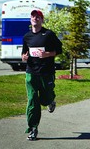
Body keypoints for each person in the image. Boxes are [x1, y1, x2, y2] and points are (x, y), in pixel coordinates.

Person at [21, 10, 62, 140]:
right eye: (33, 16)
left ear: (42, 20)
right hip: (31, 73)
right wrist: (24, 57)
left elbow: (59, 50)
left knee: (45, 99)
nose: (35, 18)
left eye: (38, 17)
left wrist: (48, 54)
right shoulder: (27, 37)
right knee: (32, 100)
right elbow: (23, 55)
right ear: (30, 19)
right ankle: (33, 128)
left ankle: (51, 101)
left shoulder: (48, 34)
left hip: (46, 73)